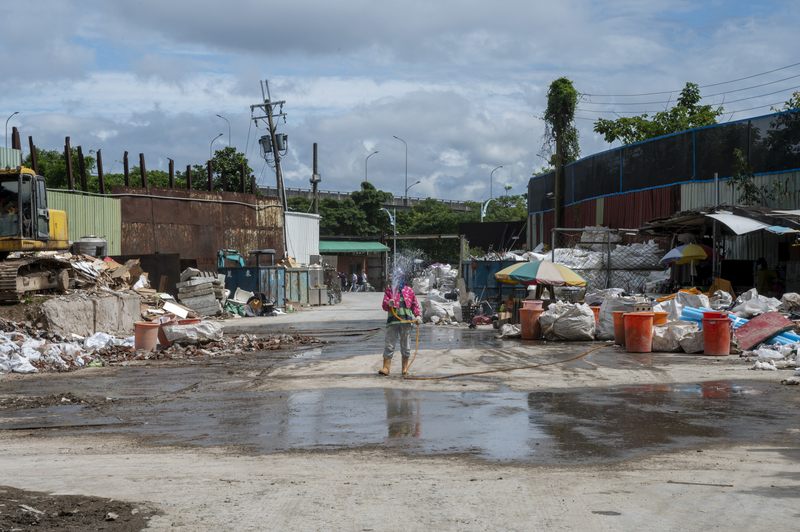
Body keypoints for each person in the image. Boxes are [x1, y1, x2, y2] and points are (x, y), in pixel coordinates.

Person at [379, 268, 420, 376]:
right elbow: (384, 306)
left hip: (406, 322)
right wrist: (389, 304)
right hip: (393, 322)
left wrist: (418, 316)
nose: (399, 279)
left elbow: (414, 305)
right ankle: (386, 368)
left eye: (401, 277)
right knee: (389, 344)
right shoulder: (389, 291)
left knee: (406, 345)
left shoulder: (409, 291)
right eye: (397, 277)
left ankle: (404, 368)